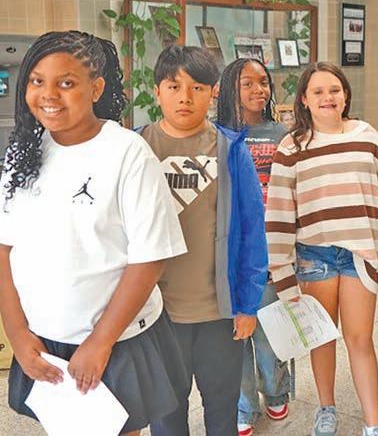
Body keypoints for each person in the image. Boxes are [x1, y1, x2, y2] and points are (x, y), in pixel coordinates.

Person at [0, 31, 188, 435]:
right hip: (44, 338)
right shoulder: (22, 153)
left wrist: (100, 342)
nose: (49, 94)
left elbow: (149, 258)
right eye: (37, 81)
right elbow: (4, 250)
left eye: (66, 82)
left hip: (115, 336)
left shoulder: (127, 152)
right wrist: (17, 333)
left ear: (96, 88)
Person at [266, 62, 378, 436]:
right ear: (304, 100)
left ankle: (373, 425)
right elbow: (280, 214)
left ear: (346, 94)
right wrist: (283, 276)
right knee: (322, 338)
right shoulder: (292, 147)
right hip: (313, 257)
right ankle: (326, 409)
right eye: (318, 92)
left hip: (360, 255)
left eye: (334, 90)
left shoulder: (366, 136)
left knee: (360, 339)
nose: (327, 97)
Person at [142, 46, 268, 436]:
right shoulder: (136, 147)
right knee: (166, 415)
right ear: (157, 91)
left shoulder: (231, 150)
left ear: (213, 92)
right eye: (173, 86)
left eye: (196, 87)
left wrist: (248, 305)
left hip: (219, 312)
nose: (185, 97)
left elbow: (252, 230)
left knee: (222, 410)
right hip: (158, 315)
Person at [217, 58, 291, 436]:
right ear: (230, 87)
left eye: (263, 82)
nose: (258, 90)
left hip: (272, 248)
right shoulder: (216, 135)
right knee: (235, 335)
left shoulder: (283, 135)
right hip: (230, 250)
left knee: (269, 330)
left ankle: (276, 390)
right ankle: (244, 403)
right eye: (248, 83)